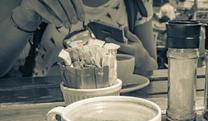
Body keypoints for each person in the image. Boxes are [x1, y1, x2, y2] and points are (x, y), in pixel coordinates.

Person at [0, 0, 157, 78]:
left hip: (112, 110)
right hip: (40, 111)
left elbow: (151, 69)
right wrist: (24, 16)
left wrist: (141, 60)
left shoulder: (138, 3)